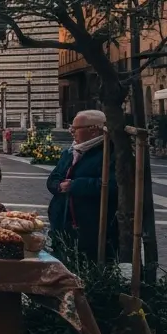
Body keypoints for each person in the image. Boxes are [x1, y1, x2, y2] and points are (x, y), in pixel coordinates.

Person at [47, 110, 118, 260]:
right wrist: (58, 185)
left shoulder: (110, 153)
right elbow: (53, 178)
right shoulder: (70, 152)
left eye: (76, 128)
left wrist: (75, 186)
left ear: (93, 130)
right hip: (62, 225)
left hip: (92, 228)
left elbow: (112, 185)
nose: (71, 131)